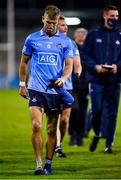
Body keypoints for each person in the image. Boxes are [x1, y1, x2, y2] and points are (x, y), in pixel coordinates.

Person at [19, 5, 74, 175]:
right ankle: (39, 164)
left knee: (51, 129)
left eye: (54, 22)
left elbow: (69, 65)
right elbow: (24, 62)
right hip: (36, 89)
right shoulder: (32, 39)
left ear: (58, 21)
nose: (51, 25)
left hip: (55, 91)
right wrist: (22, 84)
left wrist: (64, 79)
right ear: (43, 19)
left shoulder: (65, 41)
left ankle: (49, 163)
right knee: (36, 125)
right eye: (48, 22)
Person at [81, 5, 121, 154]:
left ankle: (108, 145)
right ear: (105, 16)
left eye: (116, 16)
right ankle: (97, 134)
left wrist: (117, 66)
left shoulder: (120, 35)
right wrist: (95, 66)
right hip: (97, 80)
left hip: (114, 81)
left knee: (112, 114)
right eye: (112, 16)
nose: (114, 19)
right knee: (96, 110)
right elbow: (84, 54)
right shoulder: (93, 34)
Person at [55, 15, 82, 157]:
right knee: (55, 119)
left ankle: (58, 143)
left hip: (68, 87)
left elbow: (77, 64)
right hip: (53, 87)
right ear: (55, 26)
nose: (66, 27)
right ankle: (57, 147)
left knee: (65, 120)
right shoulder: (49, 42)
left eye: (66, 25)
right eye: (62, 25)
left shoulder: (71, 43)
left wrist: (77, 75)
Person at [68, 28, 89, 146]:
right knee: (74, 110)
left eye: (83, 41)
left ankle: (80, 136)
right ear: (75, 38)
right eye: (79, 41)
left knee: (83, 112)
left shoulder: (89, 51)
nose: (81, 43)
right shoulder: (71, 50)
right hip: (72, 85)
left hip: (85, 86)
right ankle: (72, 134)